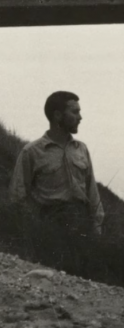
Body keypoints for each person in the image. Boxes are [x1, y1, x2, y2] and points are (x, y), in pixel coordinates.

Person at [9, 91, 104, 240]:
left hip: (81, 225)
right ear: (58, 115)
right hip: (48, 227)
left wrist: (97, 227)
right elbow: (18, 194)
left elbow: (92, 191)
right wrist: (31, 229)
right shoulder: (31, 151)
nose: (80, 117)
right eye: (75, 112)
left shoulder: (81, 149)